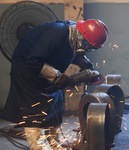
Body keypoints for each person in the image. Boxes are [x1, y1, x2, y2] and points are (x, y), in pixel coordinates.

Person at [2, 19, 108, 149]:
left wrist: (84, 63)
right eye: (88, 46)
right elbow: (35, 60)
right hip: (27, 70)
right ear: (82, 36)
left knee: (55, 105)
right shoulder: (56, 34)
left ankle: (54, 142)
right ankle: (38, 146)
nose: (88, 49)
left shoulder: (75, 34)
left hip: (46, 66)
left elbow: (70, 51)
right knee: (34, 111)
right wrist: (65, 79)